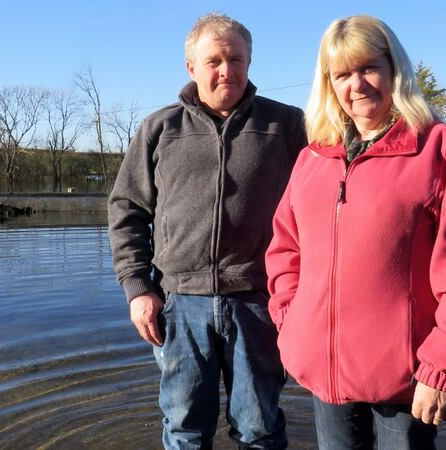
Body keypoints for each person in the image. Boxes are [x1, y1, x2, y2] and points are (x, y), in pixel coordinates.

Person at [265, 15, 446, 449]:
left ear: (394, 68)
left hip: (409, 378)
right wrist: (291, 321)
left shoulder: (443, 149)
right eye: (342, 74)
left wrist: (445, 367)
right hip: (326, 373)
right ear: (328, 84)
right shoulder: (312, 160)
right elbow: (286, 249)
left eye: (368, 68)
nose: (356, 85)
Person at [108, 12, 307, 449]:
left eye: (236, 59)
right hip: (179, 304)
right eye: (214, 60)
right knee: (184, 428)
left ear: (250, 62)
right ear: (191, 67)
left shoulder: (288, 126)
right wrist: (139, 288)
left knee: (259, 427)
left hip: (260, 302)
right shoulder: (159, 130)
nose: (226, 70)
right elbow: (126, 210)